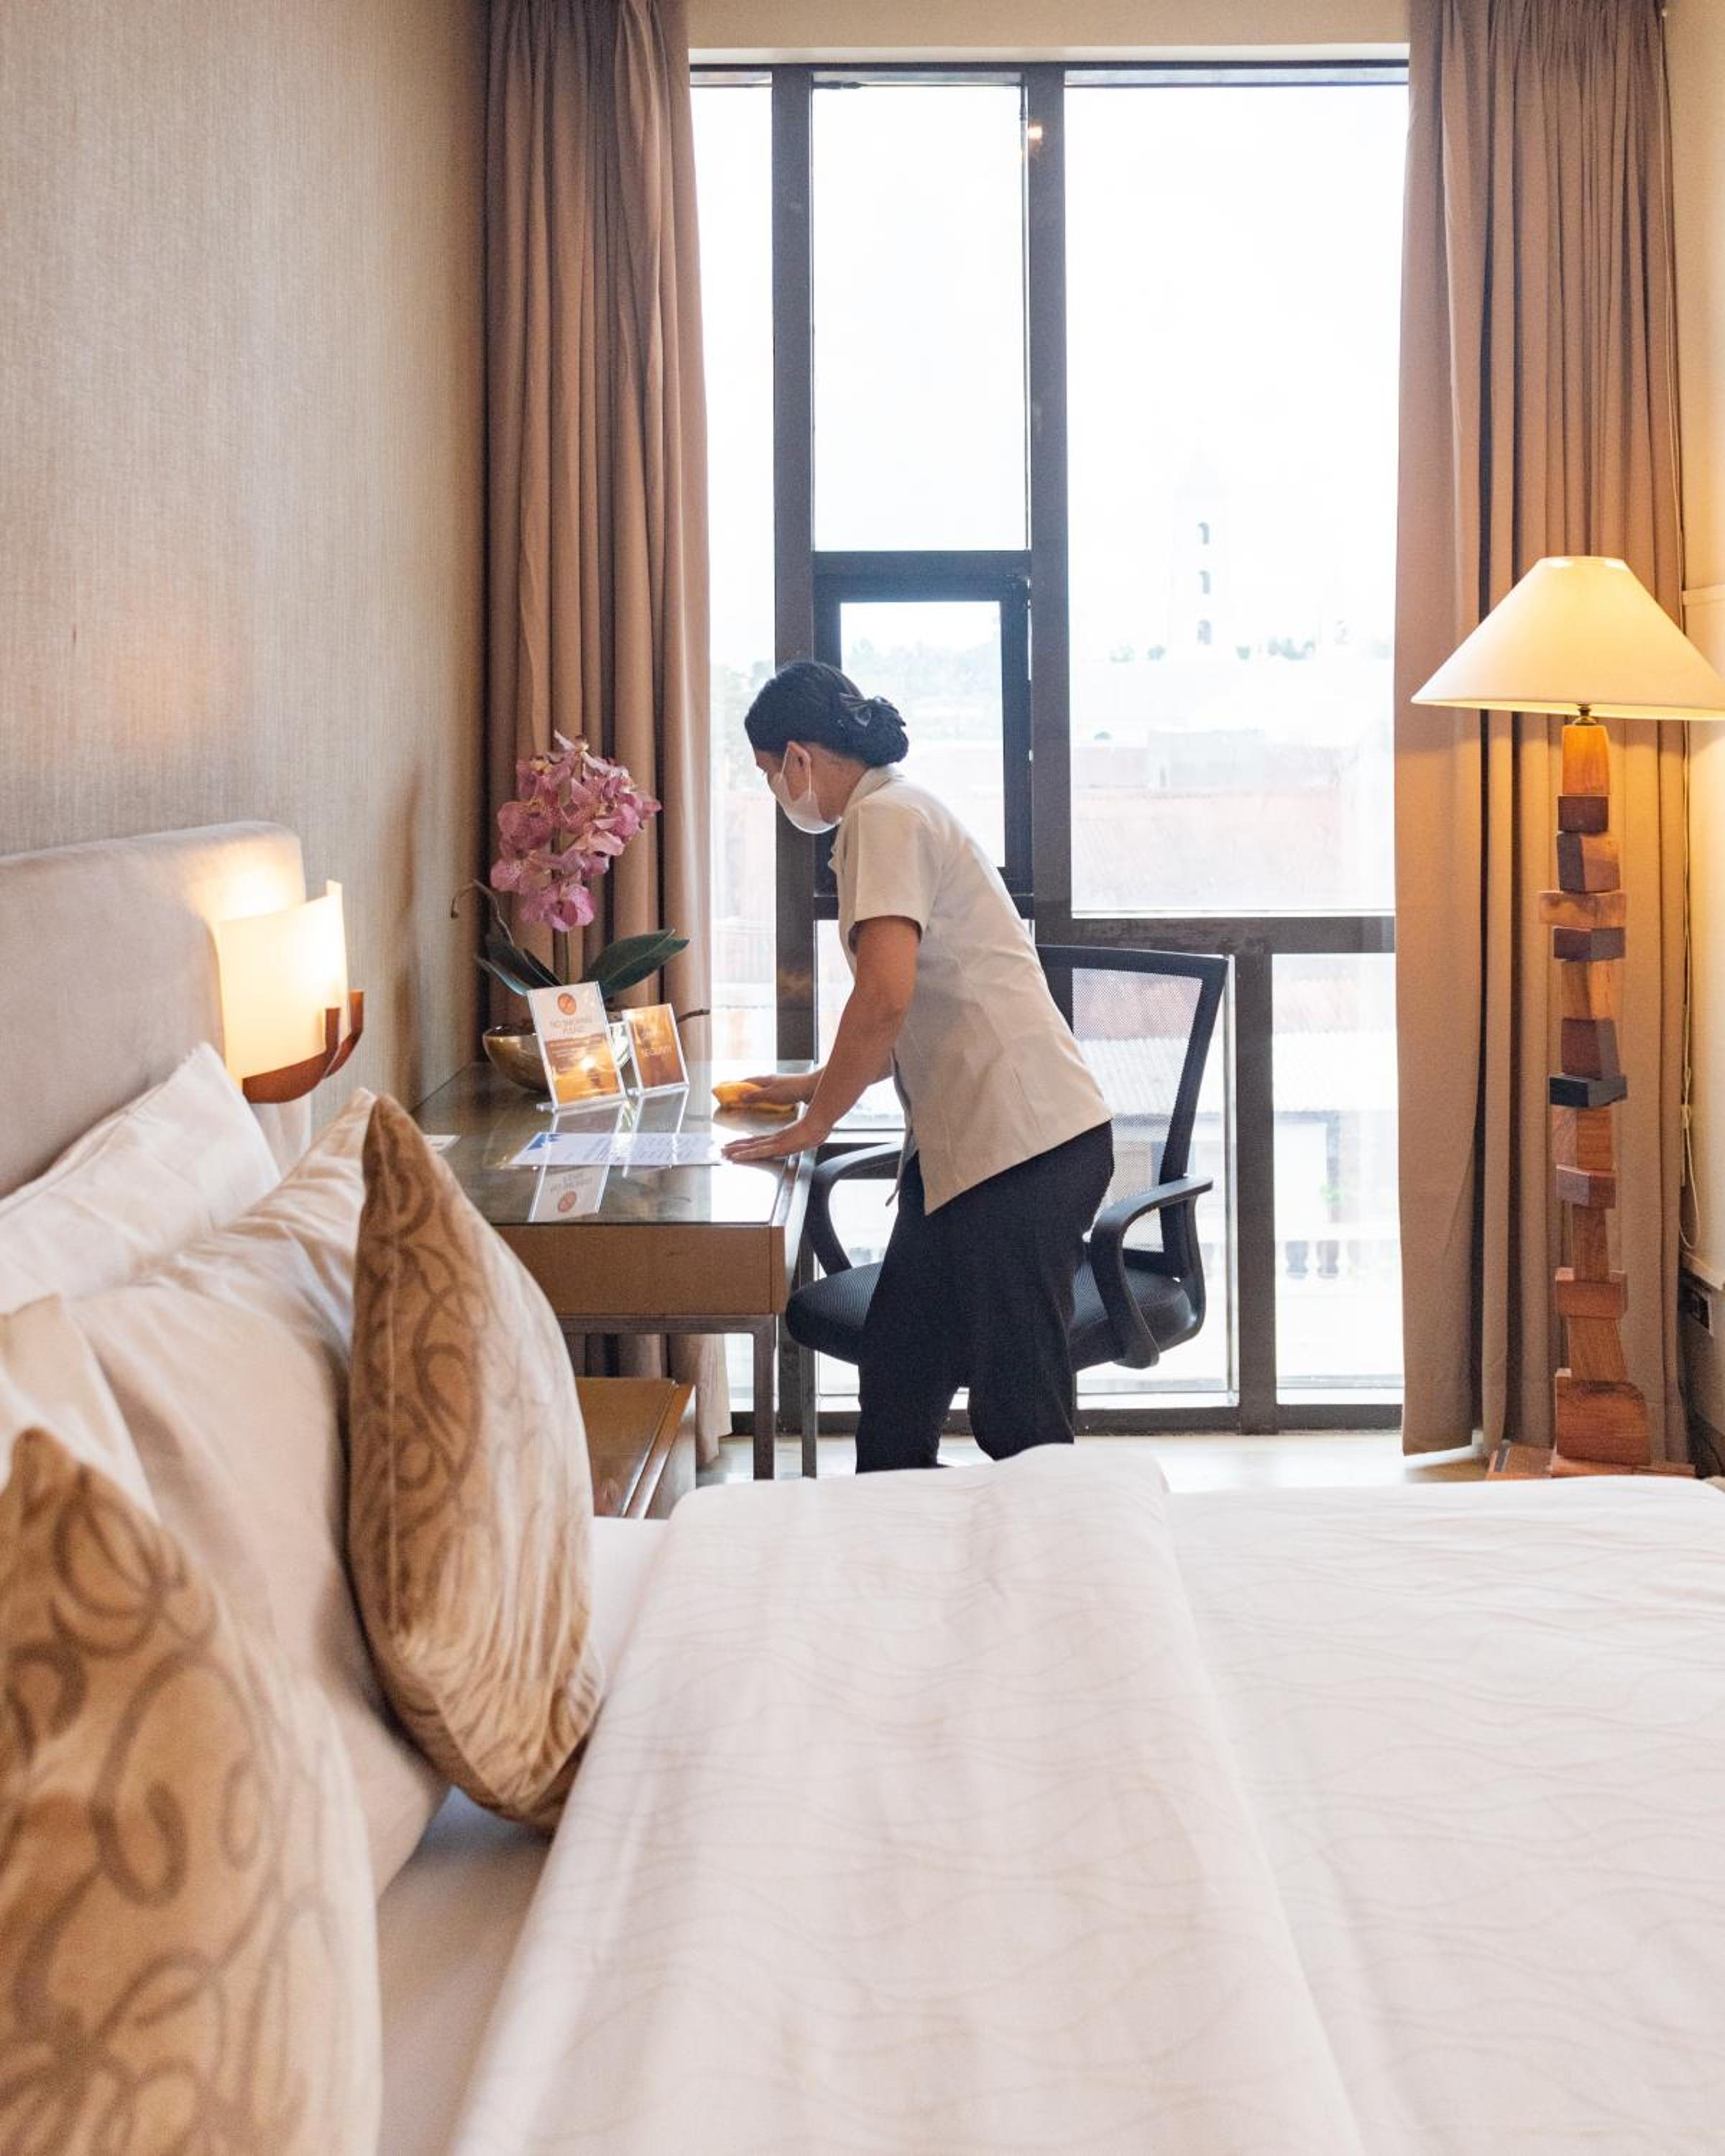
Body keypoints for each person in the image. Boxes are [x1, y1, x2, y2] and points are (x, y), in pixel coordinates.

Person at [722, 658, 1113, 1471]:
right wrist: (813, 1085)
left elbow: (884, 999)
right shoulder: (896, 811)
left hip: (1022, 1149)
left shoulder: (884, 819)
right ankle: (901, 1538)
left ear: (798, 756)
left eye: (768, 773)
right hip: (971, 1155)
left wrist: (817, 1122)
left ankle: (1053, 1547)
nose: (777, 792)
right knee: (900, 1384)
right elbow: (907, 1011)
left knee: (1019, 1416)